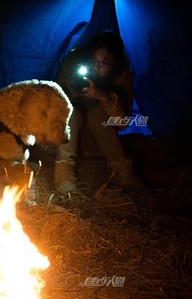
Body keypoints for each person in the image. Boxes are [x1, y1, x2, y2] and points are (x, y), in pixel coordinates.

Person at [53, 30, 147, 195]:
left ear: (115, 64)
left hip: (99, 140)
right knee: (72, 111)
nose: (97, 66)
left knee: (97, 112)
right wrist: (69, 94)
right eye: (94, 60)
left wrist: (103, 96)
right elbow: (52, 103)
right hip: (70, 137)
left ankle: (122, 173)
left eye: (104, 63)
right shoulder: (73, 61)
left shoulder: (122, 74)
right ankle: (64, 174)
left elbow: (123, 123)